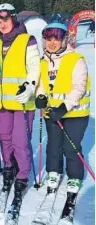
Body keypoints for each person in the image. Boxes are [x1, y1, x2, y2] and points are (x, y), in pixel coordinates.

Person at [0, 3, 40, 204]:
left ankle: (22, 174)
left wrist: (30, 86)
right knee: (5, 139)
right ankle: (9, 168)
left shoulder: (27, 40)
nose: (2, 24)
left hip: (21, 102)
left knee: (20, 141)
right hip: (2, 102)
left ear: (14, 19)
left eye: (6, 19)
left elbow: (35, 66)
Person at [36, 21, 90, 197]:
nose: (52, 42)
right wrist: (41, 97)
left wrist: (64, 107)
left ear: (64, 39)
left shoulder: (76, 59)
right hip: (52, 112)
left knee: (71, 146)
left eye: (57, 38)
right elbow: (42, 84)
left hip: (75, 113)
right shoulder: (43, 61)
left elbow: (79, 87)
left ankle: (74, 176)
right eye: (48, 38)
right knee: (54, 145)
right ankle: (54, 171)